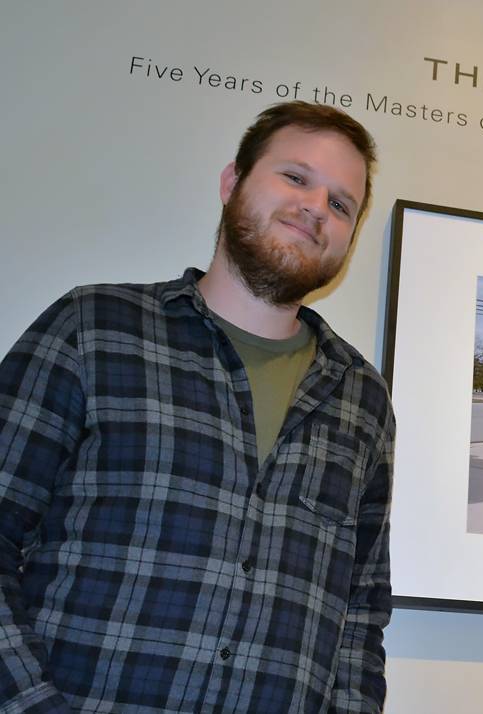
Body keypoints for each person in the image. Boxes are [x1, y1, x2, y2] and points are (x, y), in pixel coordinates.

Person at [0, 101, 396, 712]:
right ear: (232, 181)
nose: (317, 206)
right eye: (295, 177)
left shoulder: (362, 398)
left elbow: (359, 612)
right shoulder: (94, 328)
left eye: (341, 204)